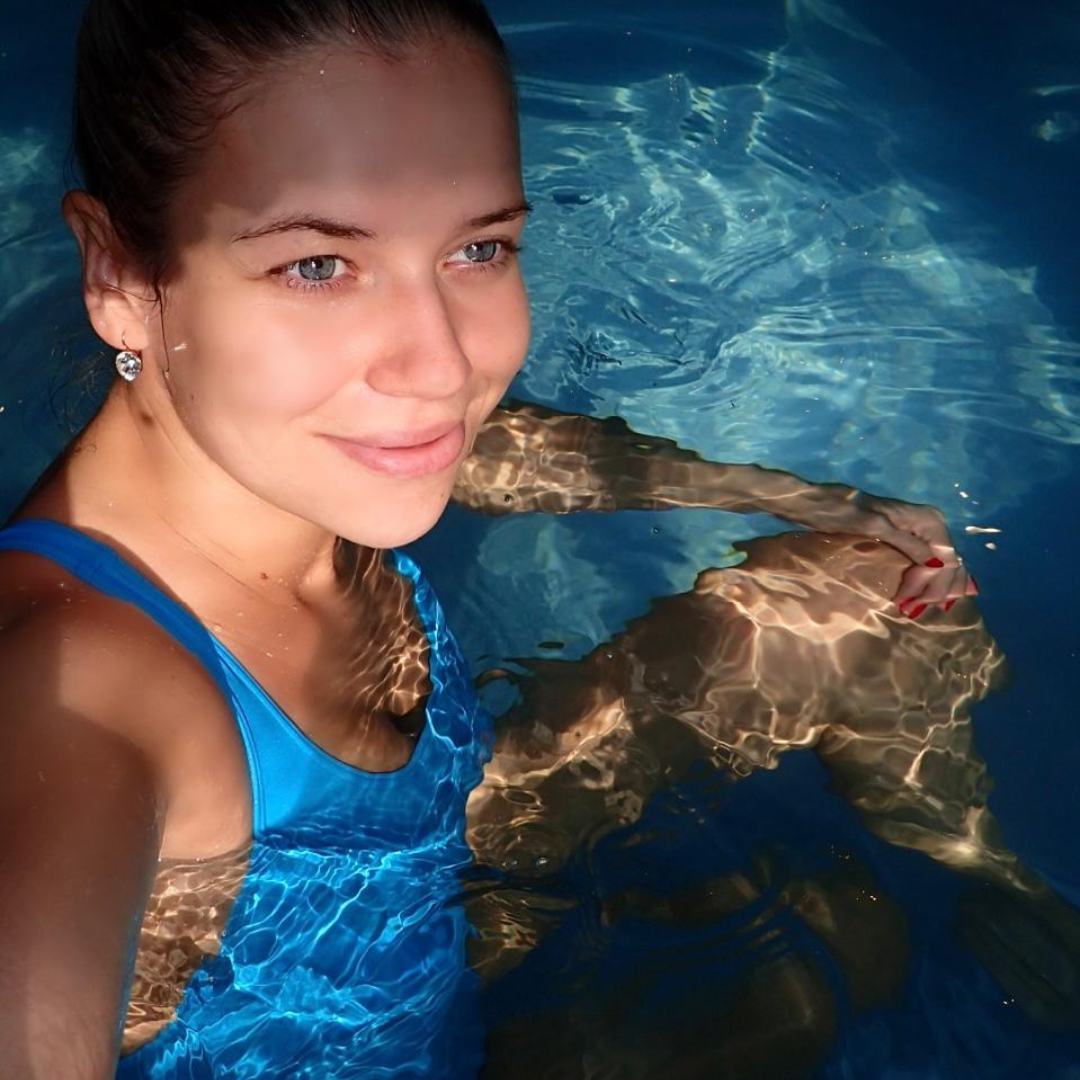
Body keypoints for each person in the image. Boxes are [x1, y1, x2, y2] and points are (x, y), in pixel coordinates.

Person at [0, 1, 988, 1077]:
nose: (442, 367)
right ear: (120, 275)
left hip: (411, 895)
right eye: (318, 265)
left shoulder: (296, 455)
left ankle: (985, 871)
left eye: (479, 248)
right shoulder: (79, 693)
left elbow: (500, 450)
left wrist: (795, 499)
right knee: (856, 942)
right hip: (334, 1004)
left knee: (874, 586)